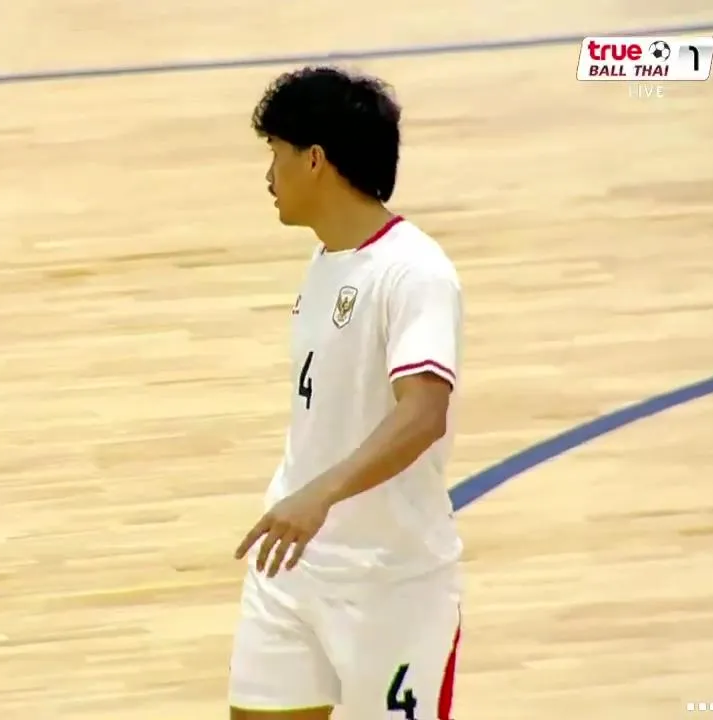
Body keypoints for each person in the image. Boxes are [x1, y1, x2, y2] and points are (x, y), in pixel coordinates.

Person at [229, 66, 464, 720]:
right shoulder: (326, 260)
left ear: (314, 159)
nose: (268, 175)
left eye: (275, 153)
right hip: (291, 568)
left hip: (390, 588)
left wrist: (320, 495)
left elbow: (424, 414)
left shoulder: (415, 272)